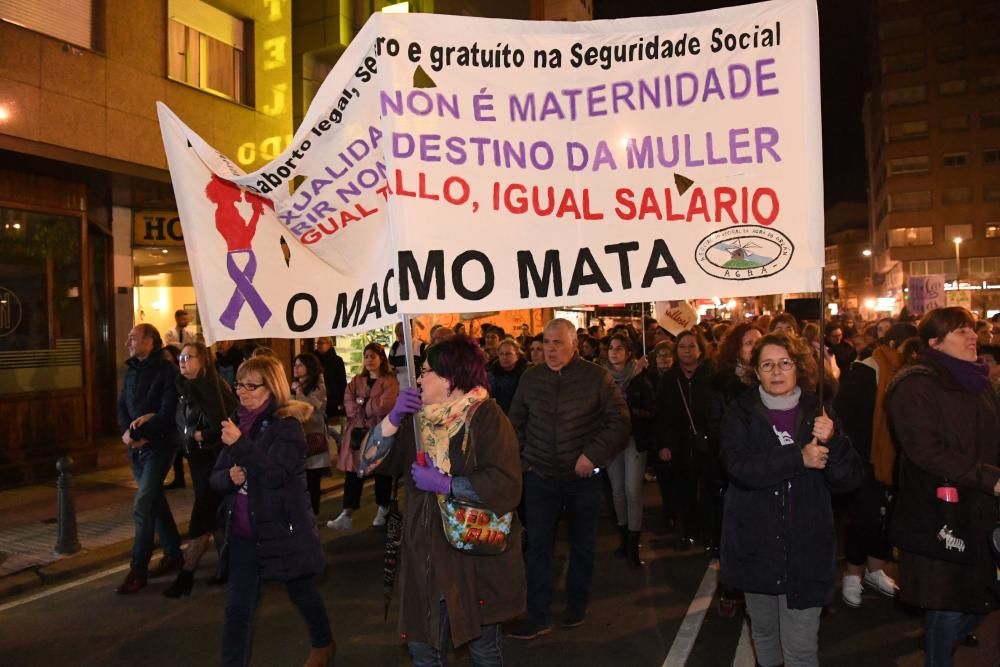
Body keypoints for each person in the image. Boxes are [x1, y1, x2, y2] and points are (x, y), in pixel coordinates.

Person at [359, 335, 525, 665]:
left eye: (426, 371)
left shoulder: (487, 417)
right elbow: (366, 463)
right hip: (424, 552)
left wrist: (447, 484)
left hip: (473, 555)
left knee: (483, 649)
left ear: (450, 378)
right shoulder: (417, 422)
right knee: (423, 649)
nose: (419, 379)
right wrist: (391, 420)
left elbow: (507, 485)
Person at [720, 333, 863, 666]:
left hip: (806, 545)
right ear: (755, 372)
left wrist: (835, 440)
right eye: (767, 364)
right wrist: (797, 459)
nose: (777, 371)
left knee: (800, 648)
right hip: (756, 544)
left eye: (785, 363)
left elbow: (849, 479)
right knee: (765, 635)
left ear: (798, 367)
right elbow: (739, 468)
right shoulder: (740, 413)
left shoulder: (820, 411)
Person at [886, 307, 1000, 667]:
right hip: (942, 513)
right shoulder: (915, 384)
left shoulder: (980, 383)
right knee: (949, 603)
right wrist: (990, 478)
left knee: (980, 595)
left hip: (983, 508)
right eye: (960, 331)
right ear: (935, 342)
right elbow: (926, 450)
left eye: (971, 329)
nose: (973, 337)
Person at [507, 319, 630, 639]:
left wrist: (592, 455)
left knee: (582, 544)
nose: (550, 349)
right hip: (540, 476)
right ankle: (538, 613)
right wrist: (524, 461)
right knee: (538, 547)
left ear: (574, 344)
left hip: (582, 478)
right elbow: (514, 422)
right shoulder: (530, 378)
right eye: (547, 342)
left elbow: (619, 421)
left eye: (558, 342)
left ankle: (577, 602)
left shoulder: (596, 377)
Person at [211, 355, 334, 667]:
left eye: (252, 385)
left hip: (281, 529)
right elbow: (215, 477)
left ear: (272, 388)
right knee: (238, 609)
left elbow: (275, 475)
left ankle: (323, 643)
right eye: (239, 384)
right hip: (243, 531)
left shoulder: (287, 428)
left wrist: (240, 446)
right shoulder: (237, 423)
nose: (242, 391)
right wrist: (228, 477)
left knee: (301, 591)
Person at [834, 323, 916, 608]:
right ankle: (853, 574)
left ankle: (875, 569)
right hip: (865, 459)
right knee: (864, 516)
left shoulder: (910, 374)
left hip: (897, 460)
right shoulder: (865, 371)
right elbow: (845, 419)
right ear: (893, 345)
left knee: (888, 519)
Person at [163, 342, 238, 598]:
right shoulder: (185, 388)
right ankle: (229, 566)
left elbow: (228, 421)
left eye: (189, 357)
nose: (182, 361)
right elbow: (181, 421)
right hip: (196, 460)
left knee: (201, 516)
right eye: (180, 357)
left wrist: (201, 435)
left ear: (203, 361)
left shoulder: (213, 387)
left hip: (214, 459)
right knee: (215, 515)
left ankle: (186, 575)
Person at [115, 324, 184, 595]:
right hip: (136, 448)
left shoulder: (167, 372)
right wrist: (127, 434)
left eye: (133, 338)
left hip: (159, 446)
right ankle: (173, 553)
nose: (128, 343)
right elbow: (122, 404)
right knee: (154, 501)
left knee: (143, 505)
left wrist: (142, 432)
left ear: (150, 342)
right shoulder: (131, 370)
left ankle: (138, 569)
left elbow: (167, 412)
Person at [654, 329, 718, 552]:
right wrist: (663, 444)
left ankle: (709, 534)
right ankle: (688, 532)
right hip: (679, 443)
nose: (687, 350)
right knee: (684, 490)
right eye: (682, 346)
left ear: (701, 349)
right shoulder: (670, 379)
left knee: (709, 490)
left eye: (691, 346)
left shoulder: (712, 376)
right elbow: (661, 414)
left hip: (708, 442)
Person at [328, 342, 400, 531]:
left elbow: (385, 405)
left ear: (381, 358)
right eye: (366, 356)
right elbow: (348, 402)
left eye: (373, 356)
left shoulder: (390, 381)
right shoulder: (357, 381)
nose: (368, 360)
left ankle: (383, 507)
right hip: (358, 432)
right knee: (354, 472)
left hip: (380, 431)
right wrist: (365, 405)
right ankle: (347, 513)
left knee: (381, 471)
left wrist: (364, 403)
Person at [602, 333, 655, 566]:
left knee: (632, 490)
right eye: (611, 348)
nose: (614, 352)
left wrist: (629, 411)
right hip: (612, 439)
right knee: (617, 492)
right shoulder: (602, 378)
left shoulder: (640, 378)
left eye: (619, 348)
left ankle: (634, 544)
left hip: (634, 438)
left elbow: (652, 410)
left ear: (628, 352)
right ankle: (623, 539)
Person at [293, 353, 331, 516]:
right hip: (298, 435)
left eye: (300, 365)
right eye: (295, 365)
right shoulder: (296, 385)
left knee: (313, 480)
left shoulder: (319, 386)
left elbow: (308, 407)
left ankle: (313, 514)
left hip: (313, 436)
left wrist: (299, 391)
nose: (296, 368)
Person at [488, 338, 529, 413]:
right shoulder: (493, 373)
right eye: (501, 354)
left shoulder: (526, 373)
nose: (504, 357)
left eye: (508, 354)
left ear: (517, 355)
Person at [313, 337, 347, 422]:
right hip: (315, 395)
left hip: (332, 397)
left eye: (322, 343)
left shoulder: (337, 360)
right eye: (318, 343)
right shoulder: (313, 359)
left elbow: (342, 381)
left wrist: (342, 400)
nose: (319, 345)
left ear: (329, 344)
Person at [389, 321, 427, 389]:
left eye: (403, 335)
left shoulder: (421, 346)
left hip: (418, 386)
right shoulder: (395, 347)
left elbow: (427, 367)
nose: (401, 338)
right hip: (400, 386)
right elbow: (390, 365)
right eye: (399, 335)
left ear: (410, 332)